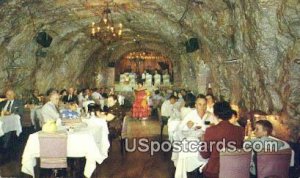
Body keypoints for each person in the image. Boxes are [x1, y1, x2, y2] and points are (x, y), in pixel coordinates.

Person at [200, 101, 245, 178]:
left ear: (215, 114)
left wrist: (203, 142)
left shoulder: (210, 130)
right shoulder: (240, 130)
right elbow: (239, 150)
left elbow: (205, 155)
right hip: (235, 170)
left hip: (215, 171)